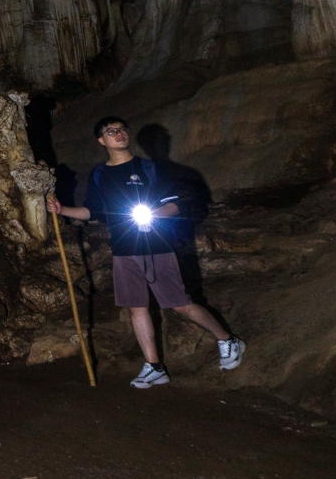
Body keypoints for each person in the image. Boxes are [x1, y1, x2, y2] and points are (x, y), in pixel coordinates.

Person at [45, 115, 243, 388]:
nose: (119, 133)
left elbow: (174, 205)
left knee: (180, 304)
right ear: (101, 140)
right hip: (123, 250)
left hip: (156, 246)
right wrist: (62, 210)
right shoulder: (100, 174)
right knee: (136, 308)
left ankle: (228, 340)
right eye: (111, 131)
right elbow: (93, 210)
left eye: (122, 129)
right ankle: (154, 366)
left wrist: (151, 215)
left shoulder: (148, 168)